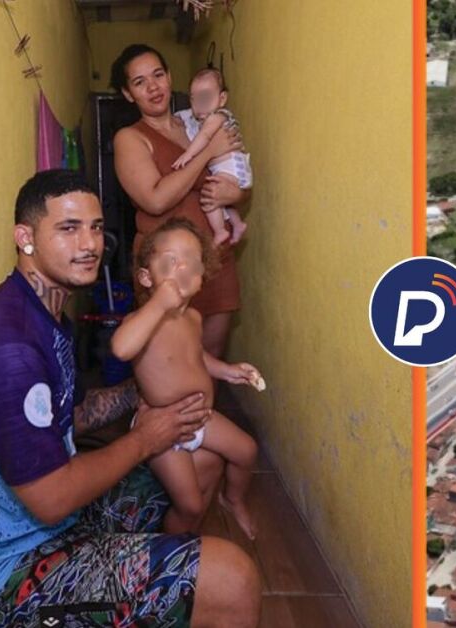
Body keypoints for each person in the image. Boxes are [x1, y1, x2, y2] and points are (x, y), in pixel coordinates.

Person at [0, 169, 260, 627]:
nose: (89, 244)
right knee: (235, 579)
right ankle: (171, 592)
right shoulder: (10, 350)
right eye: (68, 228)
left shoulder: (43, 311)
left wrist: (146, 392)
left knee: (204, 461)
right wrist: (147, 437)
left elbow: (72, 416)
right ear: (24, 237)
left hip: (49, 525)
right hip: (5, 572)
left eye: (96, 227)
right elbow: (53, 498)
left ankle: (161, 598)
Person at [112, 218, 263, 539]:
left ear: (201, 276)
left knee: (246, 450)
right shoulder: (141, 321)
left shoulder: (193, 317)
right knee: (190, 506)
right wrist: (159, 304)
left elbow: (196, 356)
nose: (181, 269)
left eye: (190, 262)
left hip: (202, 418)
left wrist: (227, 370)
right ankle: (170, 556)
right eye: (170, 261)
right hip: (165, 430)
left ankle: (232, 499)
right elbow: (122, 349)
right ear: (145, 277)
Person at [111, 43, 247, 360]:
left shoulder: (196, 122)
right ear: (129, 94)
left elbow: (234, 175)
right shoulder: (130, 138)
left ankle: (204, 411)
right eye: (140, 82)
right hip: (165, 268)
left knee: (212, 356)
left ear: (171, 77)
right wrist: (207, 153)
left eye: (158, 75)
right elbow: (155, 200)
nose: (153, 87)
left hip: (216, 259)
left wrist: (236, 195)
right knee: (169, 361)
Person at [171, 67, 253, 246]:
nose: (199, 104)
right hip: (229, 168)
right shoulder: (192, 119)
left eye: (205, 98)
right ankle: (237, 224)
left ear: (222, 99)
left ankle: (220, 231)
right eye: (194, 98)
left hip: (232, 167)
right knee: (223, 198)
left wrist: (188, 154)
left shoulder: (218, 117)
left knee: (210, 198)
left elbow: (205, 137)